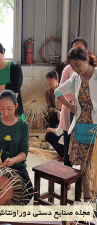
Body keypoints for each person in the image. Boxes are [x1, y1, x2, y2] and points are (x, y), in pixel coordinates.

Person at [55, 47, 97, 200]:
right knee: (84, 166)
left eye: (77, 65)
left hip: (95, 126)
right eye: (72, 66)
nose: (74, 69)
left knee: (95, 164)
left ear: (87, 60)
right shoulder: (75, 78)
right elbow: (57, 92)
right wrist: (72, 106)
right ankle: (86, 198)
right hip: (81, 127)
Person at [0, 90, 33, 204]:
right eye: (2, 109)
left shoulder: (23, 126)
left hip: (17, 167)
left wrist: (12, 160)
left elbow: (23, 153)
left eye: (9, 109)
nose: (5, 112)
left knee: (28, 192)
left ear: (16, 106)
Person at [60, 37, 93, 168]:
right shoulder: (69, 70)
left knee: (88, 154)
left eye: (80, 49)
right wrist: (74, 100)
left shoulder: (92, 72)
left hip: (90, 117)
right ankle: (67, 181)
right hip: (73, 112)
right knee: (70, 149)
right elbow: (61, 91)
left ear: (87, 52)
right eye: (74, 49)